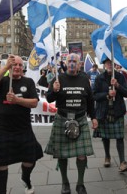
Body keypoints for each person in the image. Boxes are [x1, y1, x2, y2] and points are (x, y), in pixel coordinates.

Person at [0, 55, 43, 194]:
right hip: (2, 129)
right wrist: (5, 67)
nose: (16, 67)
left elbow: (34, 102)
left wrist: (17, 100)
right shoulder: (2, 80)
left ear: (22, 68)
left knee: (30, 159)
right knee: (0, 164)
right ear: (10, 67)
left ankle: (25, 177)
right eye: (13, 65)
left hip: (22, 128)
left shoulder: (28, 82)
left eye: (19, 65)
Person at [44, 53, 98, 194]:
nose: (73, 63)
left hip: (80, 119)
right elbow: (49, 99)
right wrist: (54, 90)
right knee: (62, 154)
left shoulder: (85, 79)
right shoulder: (58, 79)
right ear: (66, 63)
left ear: (79, 64)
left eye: (75, 61)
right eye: (70, 61)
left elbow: (91, 100)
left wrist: (94, 117)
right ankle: (65, 183)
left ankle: (80, 184)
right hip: (63, 118)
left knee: (82, 154)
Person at [93, 58, 127, 172]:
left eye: (111, 63)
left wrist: (118, 85)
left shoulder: (120, 77)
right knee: (105, 137)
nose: (109, 65)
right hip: (104, 111)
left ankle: (122, 162)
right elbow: (94, 95)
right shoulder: (99, 78)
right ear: (104, 65)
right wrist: (106, 95)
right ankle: (107, 156)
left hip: (117, 111)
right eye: (107, 63)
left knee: (120, 137)